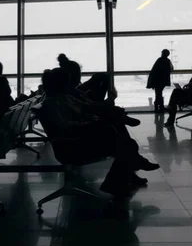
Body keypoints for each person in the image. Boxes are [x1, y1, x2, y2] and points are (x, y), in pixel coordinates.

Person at [38, 68, 159, 197]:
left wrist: (93, 120)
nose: (69, 86)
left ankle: (121, 177)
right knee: (123, 141)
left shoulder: (60, 100)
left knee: (122, 139)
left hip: (75, 140)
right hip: (70, 147)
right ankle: (123, 175)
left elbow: (87, 108)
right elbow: (66, 127)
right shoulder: (52, 104)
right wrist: (89, 123)